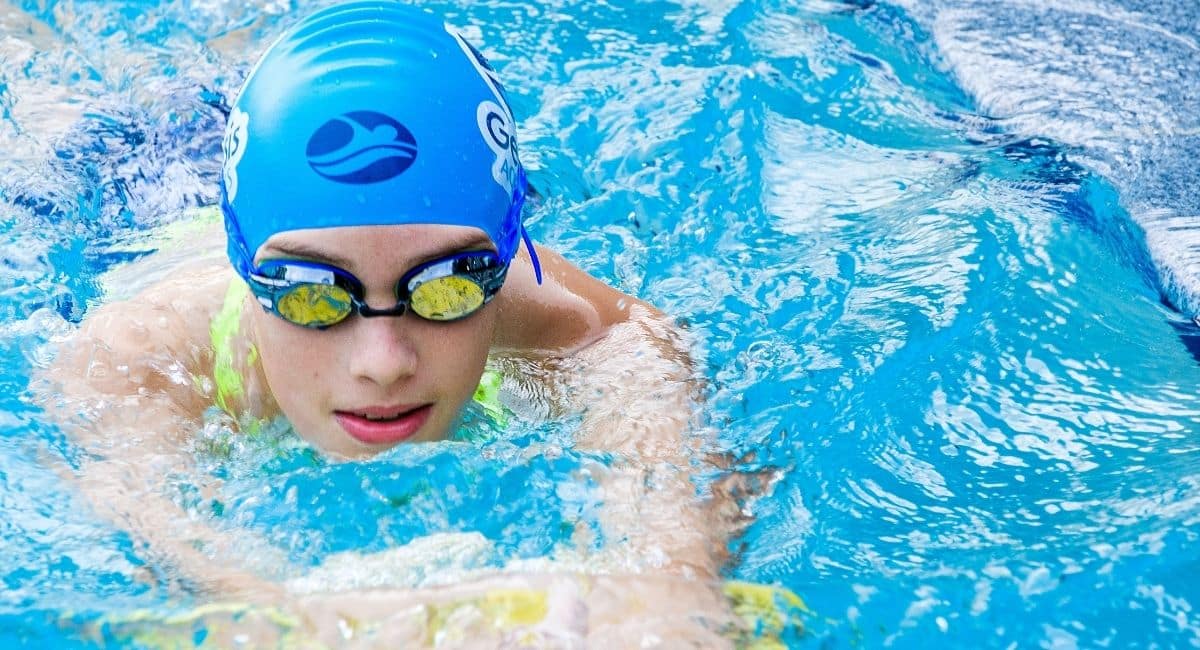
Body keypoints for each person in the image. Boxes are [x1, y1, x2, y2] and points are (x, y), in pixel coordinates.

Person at [42, 1, 784, 644]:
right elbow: (178, 558)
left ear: (502, 258)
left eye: (448, 287)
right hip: (132, 179)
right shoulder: (138, 356)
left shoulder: (567, 319)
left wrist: (669, 592)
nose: (385, 360)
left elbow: (666, 481)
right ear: (243, 267)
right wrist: (303, 618)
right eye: (311, 294)